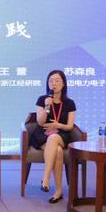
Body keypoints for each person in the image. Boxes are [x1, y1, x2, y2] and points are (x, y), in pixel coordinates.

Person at [29, 70, 77, 204]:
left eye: (57, 80)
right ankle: (59, 191)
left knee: (54, 138)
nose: (53, 84)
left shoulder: (70, 103)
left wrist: (57, 125)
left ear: (63, 83)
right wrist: (47, 106)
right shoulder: (42, 99)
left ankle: (45, 178)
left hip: (61, 134)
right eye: (51, 81)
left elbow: (70, 126)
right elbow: (40, 122)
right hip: (43, 133)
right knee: (58, 151)